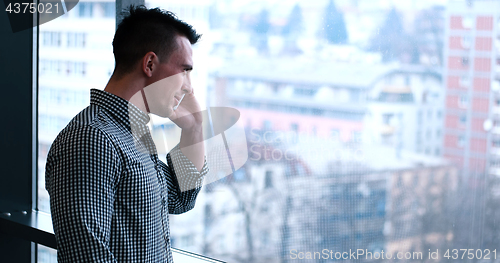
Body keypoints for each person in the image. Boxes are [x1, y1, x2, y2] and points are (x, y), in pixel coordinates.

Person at [45, 5, 208, 262]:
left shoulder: (135, 135)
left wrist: (194, 128)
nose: (189, 87)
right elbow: (86, 257)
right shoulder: (92, 139)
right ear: (150, 63)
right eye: (185, 70)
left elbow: (180, 199)